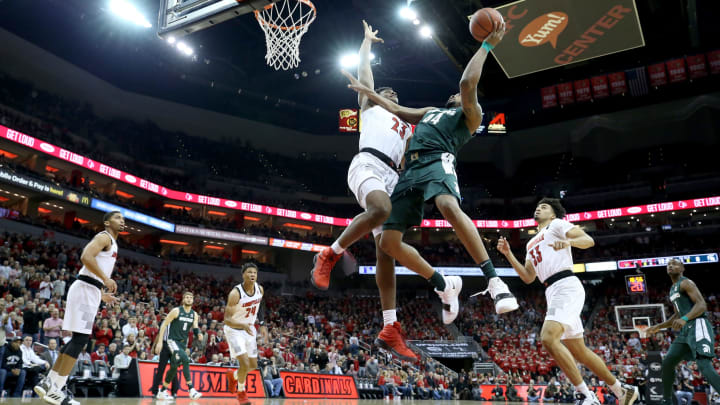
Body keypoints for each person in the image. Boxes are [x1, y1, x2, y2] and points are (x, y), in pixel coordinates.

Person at [340, 20, 518, 324]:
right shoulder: (426, 114)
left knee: (447, 204)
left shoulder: (469, 115)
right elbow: (390, 105)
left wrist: (487, 45)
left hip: (435, 161)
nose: (392, 91)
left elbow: (466, 86)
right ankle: (444, 285)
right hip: (407, 171)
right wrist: (365, 78)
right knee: (387, 243)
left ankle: (494, 280)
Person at [310, 20, 417, 361]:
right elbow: (364, 71)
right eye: (387, 92)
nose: (392, 94)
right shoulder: (370, 105)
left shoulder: (406, 125)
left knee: (387, 250)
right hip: (368, 163)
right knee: (381, 209)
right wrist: (367, 42)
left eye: (395, 94)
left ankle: (390, 325)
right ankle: (330, 253)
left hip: (393, 176)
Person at [497, 198, 638, 405]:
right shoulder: (529, 243)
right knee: (580, 351)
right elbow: (528, 277)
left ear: (553, 214)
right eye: (538, 206)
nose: (539, 208)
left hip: (566, 285)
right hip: (551, 290)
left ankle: (588, 397)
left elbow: (588, 240)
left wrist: (568, 242)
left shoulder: (556, 225)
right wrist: (509, 255)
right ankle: (621, 390)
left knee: (548, 337)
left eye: (544, 207)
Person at [34, 211, 124, 405]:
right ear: (107, 222)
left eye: (123, 218)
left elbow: (93, 273)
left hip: (90, 290)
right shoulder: (103, 237)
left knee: (78, 339)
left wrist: (101, 292)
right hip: (84, 289)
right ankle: (55, 388)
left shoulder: (113, 243)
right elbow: (86, 257)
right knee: (80, 339)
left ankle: (50, 383)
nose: (122, 220)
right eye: (117, 217)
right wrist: (105, 279)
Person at [645, 258, 720, 405]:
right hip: (685, 332)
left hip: (698, 325)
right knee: (667, 363)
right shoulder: (673, 289)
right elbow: (677, 315)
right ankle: (667, 400)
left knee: (703, 364)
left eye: (674, 264)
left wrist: (685, 318)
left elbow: (701, 305)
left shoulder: (686, 282)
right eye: (668, 264)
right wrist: (658, 327)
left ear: (682, 268)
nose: (670, 266)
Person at [224, 263, 269, 405]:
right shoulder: (235, 293)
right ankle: (241, 393)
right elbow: (226, 320)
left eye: (254, 273)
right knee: (243, 363)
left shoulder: (259, 289)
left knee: (252, 365)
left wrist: (262, 324)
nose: (252, 275)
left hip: (249, 329)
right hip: (234, 330)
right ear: (243, 275)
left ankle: (234, 375)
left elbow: (260, 305)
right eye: (249, 272)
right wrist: (241, 324)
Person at [153, 291, 202, 400]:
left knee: (174, 367)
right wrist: (160, 342)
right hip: (172, 341)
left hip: (182, 343)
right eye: (187, 297)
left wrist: (198, 333)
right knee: (185, 358)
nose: (189, 299)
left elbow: (195, 327)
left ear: (193, 300)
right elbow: (164, 325)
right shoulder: (176, 311)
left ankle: (162, 391)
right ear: (183, 300)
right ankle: (191, 389)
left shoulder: (194, 314)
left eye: (191, 297)